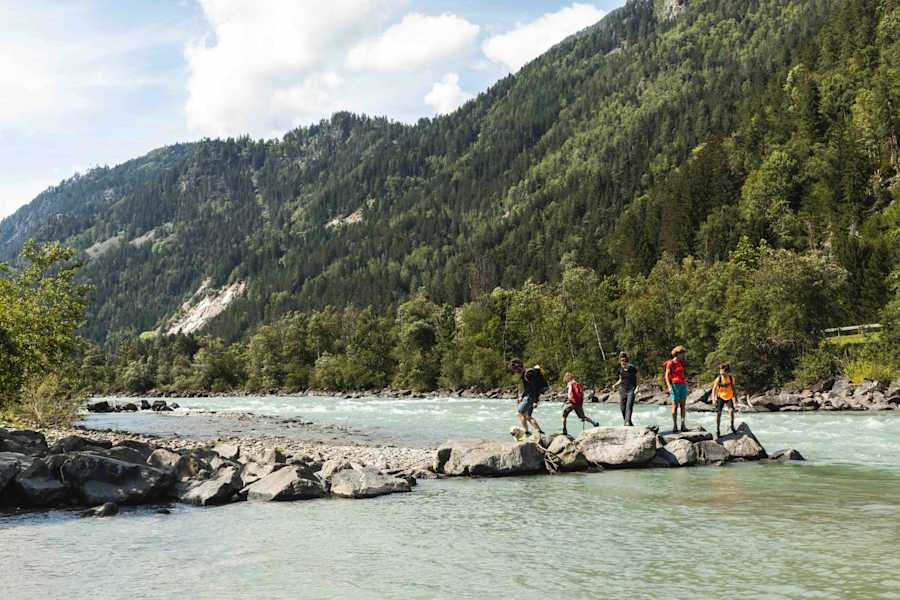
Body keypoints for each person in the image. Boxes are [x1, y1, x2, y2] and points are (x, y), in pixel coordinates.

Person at [509, 358, 545, 437]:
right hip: (529, 397)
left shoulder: (528, 374)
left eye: (514, 369)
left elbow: (535, 388)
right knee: (528, 416)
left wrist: (536, 401)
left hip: (530, 397)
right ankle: (540, 432)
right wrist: (521, 396)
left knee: (519, 413)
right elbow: (527, 388)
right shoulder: (525, 374)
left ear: (518, 367)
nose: (515, 371)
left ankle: (526, 433)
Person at [664, 345, 689, 432]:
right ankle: (675, 425)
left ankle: (683, 425)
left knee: (683, 406)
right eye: (682, 353)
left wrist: (686, 383)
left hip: (683, 385)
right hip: (675, 386)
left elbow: (682, 374)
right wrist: (669, 387)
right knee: (675, 406)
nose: (683, 355)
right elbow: (666, 376)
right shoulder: (671, 363)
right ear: (677, 354)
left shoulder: (681, 362)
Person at [711, 363, 737, 438]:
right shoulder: (718, 379)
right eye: (721, 370)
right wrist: (713, 399)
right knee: (718, 414)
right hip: (720, 397)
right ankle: (717, 430)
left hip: (729, 397)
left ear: (727, 371)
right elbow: (714, 389)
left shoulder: (731, 378)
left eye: (723, 370)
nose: (721, 372)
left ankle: (732, 426)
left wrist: (736, 398)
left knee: (731, 411)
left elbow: (733, 388)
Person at [613, 352, 638, 426]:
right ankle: (628, 421)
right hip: (623, 389)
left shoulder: (632, 368)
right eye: (621, 361)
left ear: (626, 361)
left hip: (631, 389)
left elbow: (638, 378)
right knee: (622, 408)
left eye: (624, 361)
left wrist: (637, 388)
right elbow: (621, 379)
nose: (622, 362)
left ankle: (627, 422)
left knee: (629, 406)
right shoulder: (620, 370)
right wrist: (615, 385)